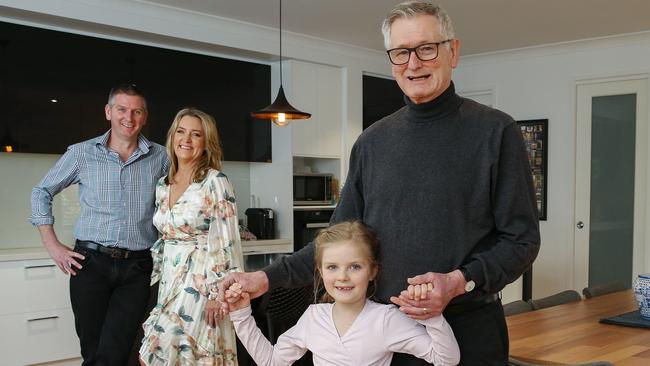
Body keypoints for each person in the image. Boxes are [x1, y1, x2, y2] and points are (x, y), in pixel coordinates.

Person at [219, 1, 540, 364]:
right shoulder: (372, 142)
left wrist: (458, 281)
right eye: (401, 52)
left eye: (426, 48)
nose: (413, 63)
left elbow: (522, 240)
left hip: (469, 330)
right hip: (384, 335)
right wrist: (263, 279)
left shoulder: (496, 132)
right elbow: (335, 242)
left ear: (454, 51)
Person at [29, 83, 169, 366]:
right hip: (90, 264)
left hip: (137, 268)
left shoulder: (162, 157)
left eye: (136, 111)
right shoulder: (82, 153)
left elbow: (179, 198)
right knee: (93, 351)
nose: (128, 118)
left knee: (116, 351)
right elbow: (41, 192)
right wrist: (52, 245)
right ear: (108, 112)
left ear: (145, 116)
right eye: (121, 109)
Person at [225, 221, 460, 366]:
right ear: (320, 271)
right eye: (332, 267)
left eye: (355, 266)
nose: (342, 276)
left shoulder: (386, 319)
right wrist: (241, 316)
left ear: (372, 271)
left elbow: (446, 360)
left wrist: (432, 317)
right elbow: (272, 362)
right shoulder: (314, 318)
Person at [139, 108, 244, 366]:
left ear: (206, 143)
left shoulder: (215, 181)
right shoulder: (164, 184)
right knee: (156, 354)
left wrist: (218, 295)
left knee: (188, 356)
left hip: (202, 284)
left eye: (196, 134)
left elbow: (227, 242)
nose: (186, 140)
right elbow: (164, 240)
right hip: (169, 284)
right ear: (172, 136)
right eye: (181, 132)